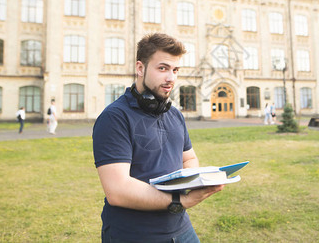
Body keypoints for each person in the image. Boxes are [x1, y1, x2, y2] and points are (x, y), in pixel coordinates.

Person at [93, 33, 224, 242]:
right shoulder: (114, 117)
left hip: (181, 229)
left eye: (175, 70)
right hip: (133, 234)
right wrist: (179, 200)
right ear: (140, 68)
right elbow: (117, 190)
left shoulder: (175, 114)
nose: (171, 78)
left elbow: (189, 159)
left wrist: (195, 180)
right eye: (162, 68)